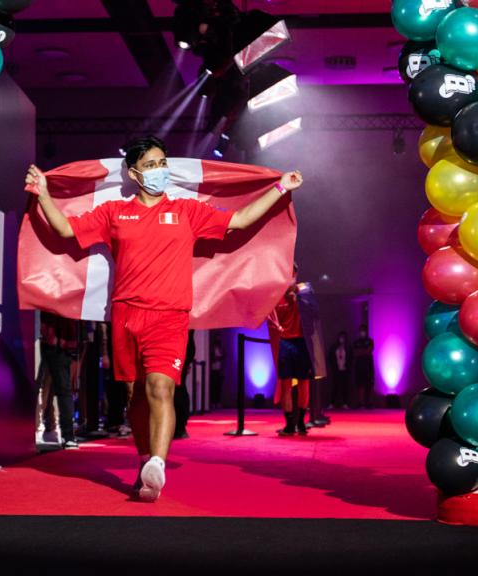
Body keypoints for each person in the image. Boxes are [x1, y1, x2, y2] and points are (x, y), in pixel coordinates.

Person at [26, 135, 304, 501]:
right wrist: (43, 193)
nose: (160, 170)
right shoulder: (113, 212)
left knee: (161, 388)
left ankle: (158, 461)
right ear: (134, 172)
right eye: (152, 164)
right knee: (134, 394)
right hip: (125, 315)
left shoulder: (187, 210)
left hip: (170, 316)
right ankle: (145, 462)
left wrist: (280, 188)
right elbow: (66, 230)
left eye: (163, 163)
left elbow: (237, 221)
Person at [267, 265, 312, 436]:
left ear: (296, 274)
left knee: (303, 384)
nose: (289, 276)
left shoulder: (305, 291)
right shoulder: (276, 295)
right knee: (285, 384)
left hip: (302, 343)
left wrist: (298, 299)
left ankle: (300, 421)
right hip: (285, 343)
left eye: (292, 273)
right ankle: (289, 424)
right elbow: (269, 317)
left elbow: (313, 315)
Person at [40, 311, 81, 449]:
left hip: (61, 344)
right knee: (40, 386)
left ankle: (67, 435)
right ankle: (44, 426)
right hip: (44, 338)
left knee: (63, 390)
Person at [173, 330, 195, 440]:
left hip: (180, 348)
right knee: (177, 387)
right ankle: (179, 426)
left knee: (178, 387)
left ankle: (179, 427)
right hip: (181, 347)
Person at [352, 325, 375, 408]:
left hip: (368, 366)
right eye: (361, 331)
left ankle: (370, 403)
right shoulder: (356, 342)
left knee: (369, 384)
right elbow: (355, 353)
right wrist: (364, 351)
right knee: (360, 385)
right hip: (359, 366)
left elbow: (370, 350)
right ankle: (360, 403)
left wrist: (362, 351)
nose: (362, 332)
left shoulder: (370, 341)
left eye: (364, 330)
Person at [328, 331, 351, 411]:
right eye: (340, 337)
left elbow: (351, 358)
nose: (342, 339)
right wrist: (334, 366)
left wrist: (348, 366)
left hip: (345, 370)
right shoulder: (334, 347)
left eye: (343, 337)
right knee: (335, 386)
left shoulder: (347, 347)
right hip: (336, 370)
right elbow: (330, 358)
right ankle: (332, 403)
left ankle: (345, 403)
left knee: (345, 387)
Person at [209, 333, 224, 410]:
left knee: (218, 387)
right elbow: (211, 357)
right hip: (213, 369)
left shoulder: (220, 348)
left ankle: (218, 402)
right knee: (213, 387)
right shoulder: (212, 348)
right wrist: (215, 358)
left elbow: (223, 356)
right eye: (217, 338)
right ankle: (213, 402)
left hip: (219, 369)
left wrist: (219, 358)